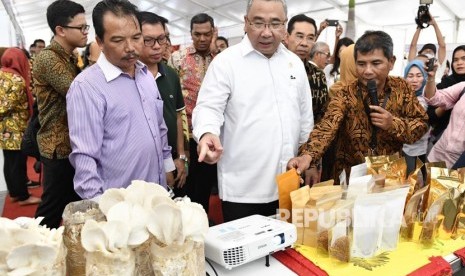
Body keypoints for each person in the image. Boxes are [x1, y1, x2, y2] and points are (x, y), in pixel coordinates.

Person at [193, 0, 313, 222]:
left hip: (288, 183)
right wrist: (207, 133)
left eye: (275, 23)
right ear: (245, 23)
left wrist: (310, 157)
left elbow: (305, 117)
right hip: (243, 189)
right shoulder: (226, 62)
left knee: (286, 251)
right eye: (258, 23)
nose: (267, 33)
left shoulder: (294, 64)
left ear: (285, 26)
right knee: (247, 253)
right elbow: (208, 107)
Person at [67, 0, 175, 200]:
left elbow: (159, 127)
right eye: (118, 40)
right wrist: (101, 209)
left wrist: (167, 166)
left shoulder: (145, 75)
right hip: (119, 205)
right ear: (99, 42)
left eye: (136, 38)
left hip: (155, 195)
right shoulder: (87, 87)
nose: (130, 48)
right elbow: (84, 158)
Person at [287, 30, 429, 181]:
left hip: (390, 178)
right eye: (361, 64)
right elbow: (327, 126)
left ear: (391, 62)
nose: (368, 71)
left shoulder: (402, 88)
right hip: (350, 179)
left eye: (376, 63)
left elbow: (421, 123)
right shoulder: (345, 94)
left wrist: (392, 124)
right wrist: (307, 156)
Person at [33, 0, 87, 229]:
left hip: (71, 143)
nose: (86, 32)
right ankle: (36, 253)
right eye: (81, 27)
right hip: (57, 146)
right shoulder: (48, 58)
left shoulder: (69, 56)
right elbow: (79, 91)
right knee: (51, 211)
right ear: (61, 30)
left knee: (75, 206)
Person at [168, 13, 217, 213]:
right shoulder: (177, 58)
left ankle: (204, 222)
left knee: (205, 185)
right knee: (183, 185)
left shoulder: (222, 59)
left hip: (211, 134)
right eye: (197, 34)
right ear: (191, 34)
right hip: (185, 135)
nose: (202, 39)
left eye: (207, 34)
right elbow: (171, 97)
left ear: (213, 33)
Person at [138, 11, 187, 192]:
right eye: (149, 40)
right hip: (144, 165)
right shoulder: (129, 77)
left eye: (162, 39)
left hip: (173, 158)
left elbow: (177, 116)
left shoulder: (171, 74)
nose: (157, 46)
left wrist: (181, 156)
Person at [284, 14, 329, 184]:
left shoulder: (317, 75)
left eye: (310, 38)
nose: (304, 43)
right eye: (299, 36)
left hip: (305, 157)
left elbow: (321, 120)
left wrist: (312, 160)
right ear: (286, 37)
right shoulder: (272, 69)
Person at [0, 48, 41, 205]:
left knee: (9, 161)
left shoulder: (2, 73)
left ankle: (14, 192)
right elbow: (5, 105)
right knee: (17, 162)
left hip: (5, 128)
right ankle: (23, 196)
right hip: (15, 128)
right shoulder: (15, 79)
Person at [424, 63, 465, 168]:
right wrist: (431, 78)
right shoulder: (463, 87)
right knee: (424, 182)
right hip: (438, 154)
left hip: (459, 164)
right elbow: (434, 98)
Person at [402, 60, 430, 175]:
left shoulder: (428, 98)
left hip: (419, 148)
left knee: (415, 180)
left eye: (419, 76)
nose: (414, 80)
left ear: (424, 78)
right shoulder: (401, 96)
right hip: (402, 148)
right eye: (410, 76)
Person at [408, 12, 446, 83]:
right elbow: (413, 46)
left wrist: (434, 24)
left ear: (434, 56)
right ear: (420, 53)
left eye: (431, 51)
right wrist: (420, 26)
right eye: (426, 51)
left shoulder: (437, 65)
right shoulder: (414, 62)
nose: (428, 52)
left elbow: (442, 46)